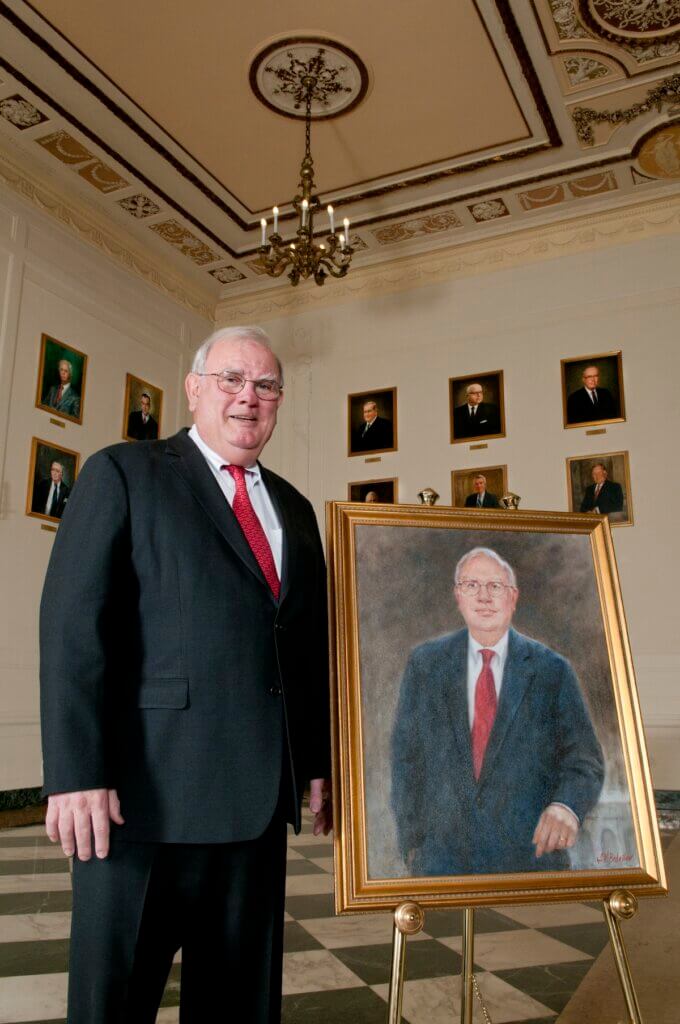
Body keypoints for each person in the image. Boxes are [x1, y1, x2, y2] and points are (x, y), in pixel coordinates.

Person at [40, 325, 332, 1023]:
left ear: (279, 401)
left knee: (239, 1005)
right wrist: (77, 772)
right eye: (231, 379)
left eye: (265, 385)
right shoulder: (123, 472)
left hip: (257, 806)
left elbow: (305, 644)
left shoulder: (293, 507)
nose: (247, 398)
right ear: (195, 389)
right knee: (116, 1002)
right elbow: (74, 627)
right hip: (143, 802)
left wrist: (315, 760)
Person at [391, 546, 604, 876]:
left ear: (513, 597)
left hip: (530, 857)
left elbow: (585, 761)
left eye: (495, 586)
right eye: (472, 585)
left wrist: (567, 807)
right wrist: (412, 845)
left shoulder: (552, 671)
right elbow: (406, 759)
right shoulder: (425, 665)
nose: (484, 597)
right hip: (442, 860)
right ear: (457, 596)